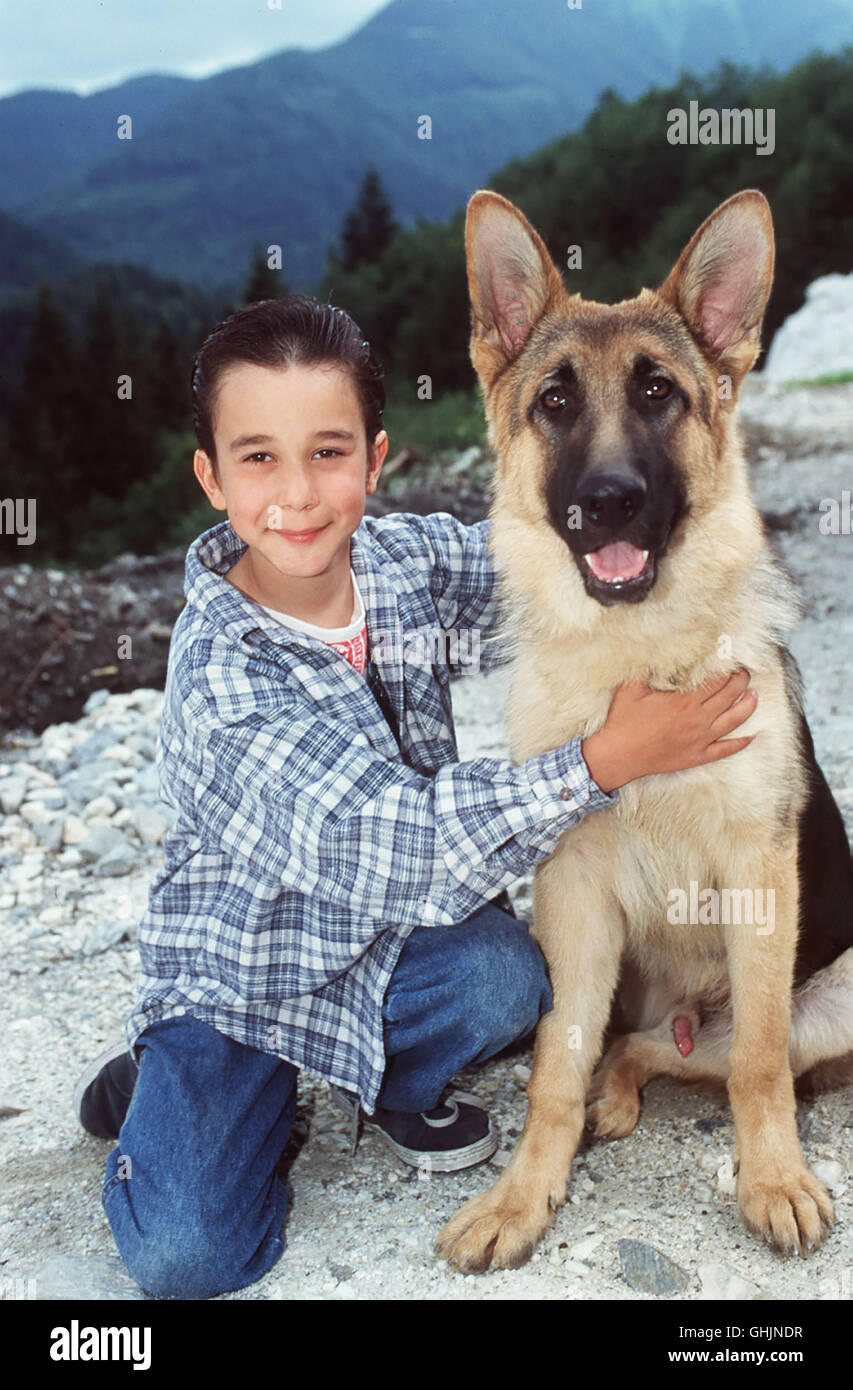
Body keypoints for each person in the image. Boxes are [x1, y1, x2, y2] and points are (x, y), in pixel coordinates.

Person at [73, 295, 757, 1300]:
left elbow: (540, 545)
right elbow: (400, 848)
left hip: (386, 947)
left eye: (329, 452)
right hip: (245, 988)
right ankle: (160, 1088)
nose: (298, 494)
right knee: (188, 1257)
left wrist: (659, 523)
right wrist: (602, 761)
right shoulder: (221, 682)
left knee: (509, 980)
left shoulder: (399, 567)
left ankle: (388, 1081)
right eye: (258, 457)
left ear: (376, 459)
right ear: (211, 478)